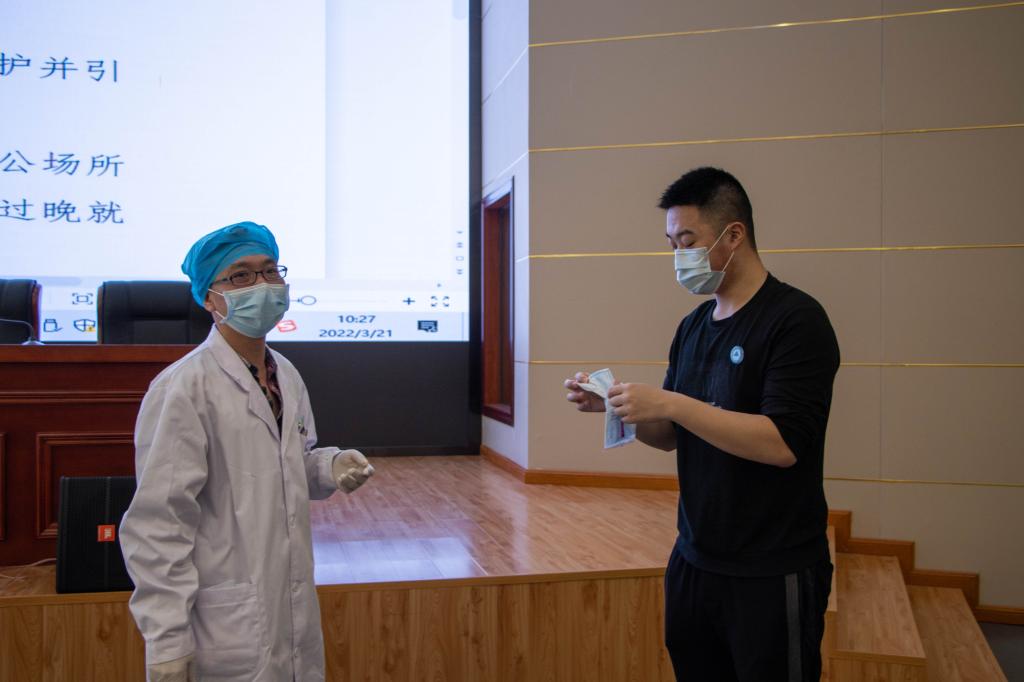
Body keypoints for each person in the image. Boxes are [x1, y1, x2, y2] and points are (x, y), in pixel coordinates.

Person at [565, 168, 839, 681]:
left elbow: (782, 443)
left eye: (688, 241)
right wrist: (616, 406)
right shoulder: (692, 327)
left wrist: (671, 403)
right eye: (671, 244)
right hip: (694, 558)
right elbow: (672, 436)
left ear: (734, 235)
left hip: (772, 566)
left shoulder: (796, 320)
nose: (678, 256)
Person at [120, 221, 374, 682]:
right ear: (208, 298)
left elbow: (285, 464)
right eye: (240, 275)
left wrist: (328, 466)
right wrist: (167, 639)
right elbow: (159, 523)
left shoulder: (286, 375)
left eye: (270, 271)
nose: (262, 285)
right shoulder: (184, 388)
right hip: (225, 621)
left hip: (290, 608)